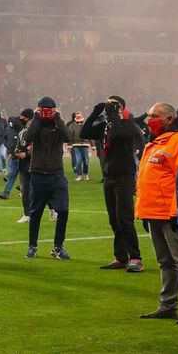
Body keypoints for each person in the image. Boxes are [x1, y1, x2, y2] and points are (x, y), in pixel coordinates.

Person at [135, 103, 178, 324]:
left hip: (171, 214)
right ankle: (168, 306)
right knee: (165, 262)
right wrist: (145, 211)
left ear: (170, 119)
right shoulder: (156, 141)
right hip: (154, 212)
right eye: (150, 115)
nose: (150, 119)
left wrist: (177, 212)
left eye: (156, 116)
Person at [81, 95, 145, 272]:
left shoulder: (128, 123)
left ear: (120, 108)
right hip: (109, 176)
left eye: (112, 105)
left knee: (125, 219)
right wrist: (95, 112)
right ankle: (121, 258)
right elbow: (84, 132)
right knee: (114, 220)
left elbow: (120, 134)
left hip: (124, 176)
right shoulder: (105, 126)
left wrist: (115, 114)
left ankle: (136, 258)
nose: (108, 108)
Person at [22, 97, 71, 260]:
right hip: (38, 174)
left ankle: (58, 246)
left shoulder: (58, 124)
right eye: (44, 110)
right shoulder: (35, 124)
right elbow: (28, 137)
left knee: (63, 210)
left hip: (57, 174)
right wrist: (37, 117)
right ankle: (32, 246)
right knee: (35, 213)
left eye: (49, 110)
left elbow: (68, 137)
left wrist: (57, 118)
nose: (46, 113)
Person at [67, 112, 91, 181]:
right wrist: (69, 145)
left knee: (86, 161)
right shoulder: (72, 125)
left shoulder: (86, 124)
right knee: (78, 161)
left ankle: (85, 174)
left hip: (85, 145)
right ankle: (79, 175)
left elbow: (90, 134)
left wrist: (93, 145)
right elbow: (70, 135)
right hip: (76, 145)